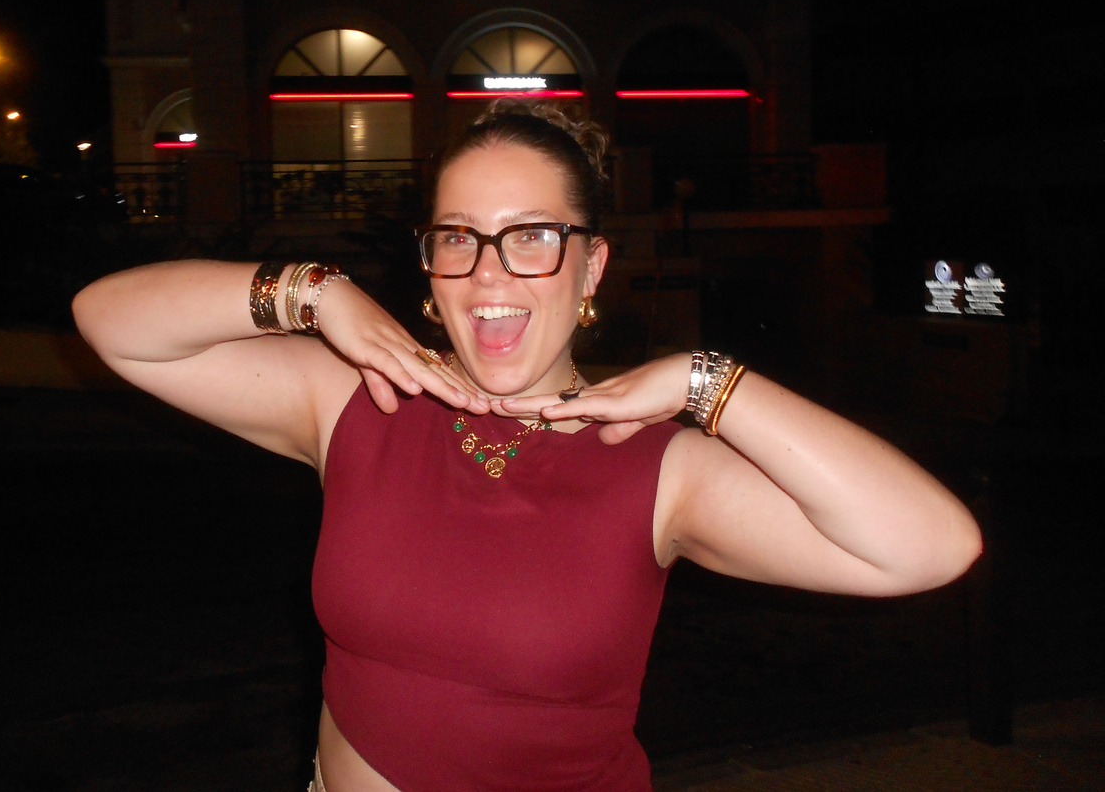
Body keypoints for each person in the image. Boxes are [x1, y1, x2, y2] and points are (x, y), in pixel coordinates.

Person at [72, 101, 982, 792]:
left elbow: (930, 547)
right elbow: (110, 323)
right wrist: (309, 292)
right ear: (430, 264)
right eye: (459, 238)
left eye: (533, 237)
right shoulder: (362, 398)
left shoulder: (656, 467)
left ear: (591, 267)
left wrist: (707, 382)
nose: (489, 273)